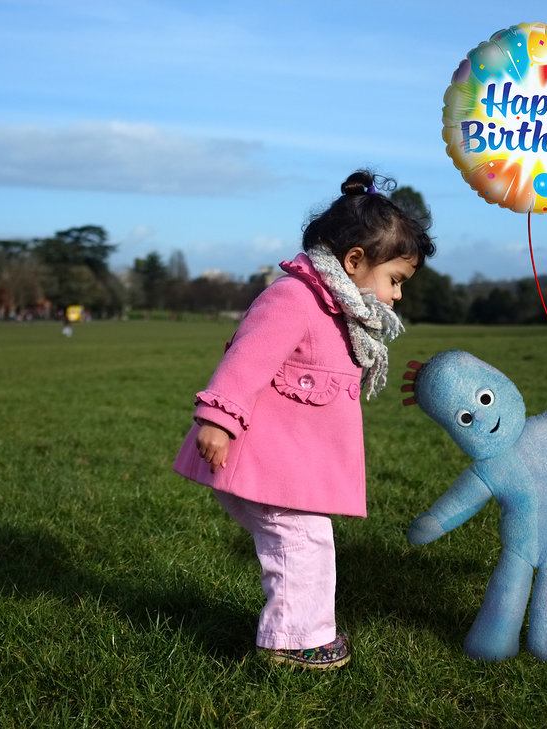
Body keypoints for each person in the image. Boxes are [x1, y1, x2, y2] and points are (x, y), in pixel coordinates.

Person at [173, 170, 435, 669]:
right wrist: (218, 420)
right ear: (354, 261)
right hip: (256, 458)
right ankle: (291, 642)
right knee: (299, 542)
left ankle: (302, 633)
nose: (398, 295)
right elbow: (247, 358)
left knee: (306, 539)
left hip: (284, 467)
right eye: (395, 280)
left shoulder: (340, 313)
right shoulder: (294, 297)